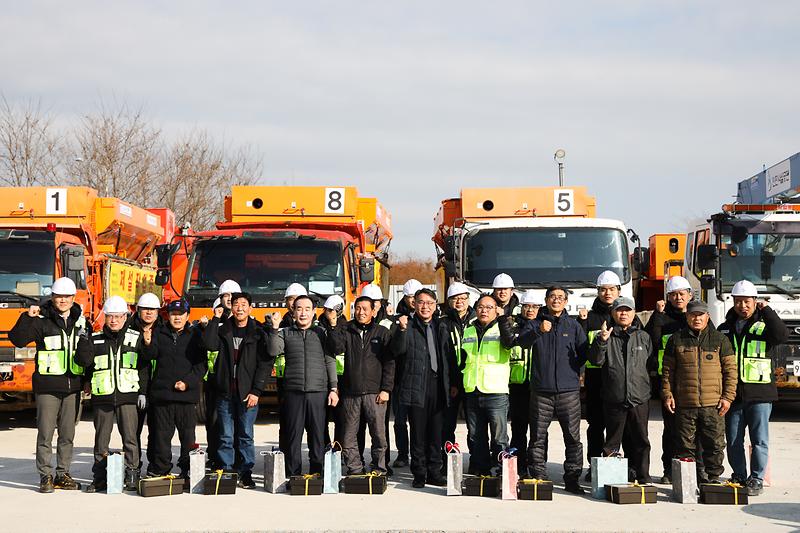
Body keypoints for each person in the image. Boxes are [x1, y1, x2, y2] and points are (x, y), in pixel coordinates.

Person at [9, 277, 86, 492]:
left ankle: (63, 473)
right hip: (48, 387)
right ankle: (46, 475)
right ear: (52, 298)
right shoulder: (41, 320)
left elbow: (86, 353)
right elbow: (18, 339)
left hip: (73, 387)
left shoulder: (81, 321)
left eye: (66, 297)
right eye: (58, 296)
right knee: (45, 433)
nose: (62, 300)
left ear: (73, 298)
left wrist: (86, 382)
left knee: (67, 434)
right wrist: (27, 317)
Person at [511, 286, 588, 493]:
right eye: (552, 297)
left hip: (568, 392)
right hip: (541, 391)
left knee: (573, 439)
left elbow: (584, 355)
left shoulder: (573, 326)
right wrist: (538, 330)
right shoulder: (535, 323)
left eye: (560, 297)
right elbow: (522, 343)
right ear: (546, 300)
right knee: (537, 437)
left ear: (565, 302)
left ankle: (572, 479)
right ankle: (540, 478)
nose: (556, 300)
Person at [718, 280, 788, 496]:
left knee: (759, 440)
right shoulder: (725, 328)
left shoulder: (765, 325)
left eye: (747, 302)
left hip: (760, 394)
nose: (743, 306)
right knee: (734, 439)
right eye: (738, 301)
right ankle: (739, 475)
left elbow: (781, 335)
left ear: (755, 301)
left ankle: (756, 478)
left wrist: (767, 310)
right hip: (734, 395)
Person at [76, 296, 149, 492]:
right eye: (110, 316)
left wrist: (143, 392)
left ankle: (133, 473)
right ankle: (100, 477)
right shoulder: (95, 338)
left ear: (125, 317)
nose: (114, 320)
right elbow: (85, 363)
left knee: (130, 438)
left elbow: (144, 366)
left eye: (118, 316)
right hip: (103, 396)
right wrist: (83, 340)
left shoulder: (136, 338)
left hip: (128, 396)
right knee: (101, 439)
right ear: (105, 317)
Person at [577, 270, 643, 481]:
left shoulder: (629, 315)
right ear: (597, 291)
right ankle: (595, 465)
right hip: (597, 381)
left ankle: (629, 467)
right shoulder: (589, 317)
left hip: (622, 381)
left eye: (612, 289)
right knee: (596, 426)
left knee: (625, 427)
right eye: (603, 290)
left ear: (618, 290)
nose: (607, 293)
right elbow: (580, 348)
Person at [661, 300, 737, 484]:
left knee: (715, 444)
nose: (697, 318)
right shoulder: (676, 339)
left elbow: (731, 371)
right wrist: (667, 394)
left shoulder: (720, 339)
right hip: (685, 404)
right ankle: (689, 480)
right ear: (687, 316)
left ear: (707, 317)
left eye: (700, 315)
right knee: (685, 445)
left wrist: (728, 397)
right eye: (693, 315)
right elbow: (667, 371)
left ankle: (713, 478)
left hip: (714, 405)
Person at [203, 292, 273, 488]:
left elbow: (265, 364)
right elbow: (208, 344)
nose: (240, 308)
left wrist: (257, 391)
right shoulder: (223, 329)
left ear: (250, 308)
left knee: (245, 435)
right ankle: (226, 470)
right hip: (225, 392)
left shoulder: (258, 332)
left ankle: (245, 472)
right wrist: (216, 318)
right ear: (231, 308)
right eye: (236, 304)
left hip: (247, 395)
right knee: (225, 435)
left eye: (244, 304)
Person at [267, 295, 338, 476]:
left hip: (318, 392)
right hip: (293, 392)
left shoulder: (322, 333)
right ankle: (293, 475)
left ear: (314, 312)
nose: (303, 313)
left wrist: (333, 388)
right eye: (299, 309)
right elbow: (273, 350)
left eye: (307, 309)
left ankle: (318, 474)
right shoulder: (285, 332)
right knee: (293, 436)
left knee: (318, 436)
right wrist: (274, 328)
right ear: (293, 311)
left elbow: (330, 361)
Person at [587, 296, 653, 483]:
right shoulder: (606, 335)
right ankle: (611, 479)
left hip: (639, 397)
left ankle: (642, 476)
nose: (623, 313)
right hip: (614, 398)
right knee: (612, 442)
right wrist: (602, 341)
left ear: (634, 314)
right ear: (613, 313)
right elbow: (596, 361)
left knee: (641, 440)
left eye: (627, 310)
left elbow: (650, 364)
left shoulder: (644, 337)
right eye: (619, 310)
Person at [391, 288, 451, 488]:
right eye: (421, 302)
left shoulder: (440, 326)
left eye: (429, 303)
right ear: (414, 305)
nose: (425, 306)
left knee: (436, 432)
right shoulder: (407, 326)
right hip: (416, 385)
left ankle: (435, 471)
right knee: (418, 433)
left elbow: (448, 357)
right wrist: (401, 331)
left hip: (437, 384)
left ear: (435, 306)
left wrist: (452, 384)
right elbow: (397, 351)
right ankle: (419, 473)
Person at [328, 295, 394, 475]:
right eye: (358, 308)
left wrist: (386, 389)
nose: (361, 312)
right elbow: (336, 348)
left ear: (373, 311)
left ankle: (379, 468)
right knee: (348, 436)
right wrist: (333, 326)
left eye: (365, 308)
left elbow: (389, 362)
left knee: (379, 435)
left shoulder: (382, 332)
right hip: (351, 393)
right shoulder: (346, 329)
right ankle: (355, 468)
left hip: (375, 393)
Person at [144, 299, 206, 479]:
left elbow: (201, 366)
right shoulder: (158, 332)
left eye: (180, 315)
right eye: (173, 314)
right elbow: (150, 355)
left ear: (187, 316)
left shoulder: (195, 335)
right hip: (162, 396)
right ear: (168, 316)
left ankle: (188, 470)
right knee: (161, 437)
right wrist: (147, 342)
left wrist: (187, 383)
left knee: (188, 438)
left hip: (186, 397)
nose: (177, 318)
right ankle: (161, 469)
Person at [644, 275, 692, 483]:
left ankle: (692, 468)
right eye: (673, 294)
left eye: (682, 294)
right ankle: (669, 470)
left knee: (692, 428)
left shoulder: (696, 316)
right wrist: (657, 315)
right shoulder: (661, 318)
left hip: (691, 381)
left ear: (690, 295)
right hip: (669, 382)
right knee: (670, 429)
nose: (678, 298)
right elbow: (651, 343)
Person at [458, 294, 511, 476]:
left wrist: (504, 321)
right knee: (475, 435)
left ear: (497, 310)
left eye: (489, 307)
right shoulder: (469, 330)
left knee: (499, 436)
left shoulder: (502, 328)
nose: (484, 310)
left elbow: (509, 344)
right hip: (472, 390)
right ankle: (481, 469)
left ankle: (503, 471)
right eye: (481, 307)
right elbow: (463, 359)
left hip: (495, 391)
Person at [498, 288, 540, 475]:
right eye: (526, 306)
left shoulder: (544, 327)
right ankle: (519, 466)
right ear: (521, 307)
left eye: (534, 306)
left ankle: (537, 466)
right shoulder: (512, 326)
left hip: (539, 387)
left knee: (539, 432)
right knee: (518, 430)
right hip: (516, 386)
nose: (530, 310)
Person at [440, 282, 476, 464]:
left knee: (474, 425)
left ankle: (477, 461)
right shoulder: (443, 324)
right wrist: (452, 382)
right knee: (447, 425)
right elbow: (444, 357)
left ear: (469, 299)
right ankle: (447, 461)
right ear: (449, 301)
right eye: (455, 298)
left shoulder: (477, 322)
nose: (460, 302)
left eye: (463, 298)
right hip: (451, 383)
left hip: (472, 381)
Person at [128, 292, 162, 476]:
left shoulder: (163, 331)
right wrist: (140, 390)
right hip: (135, 389)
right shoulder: (129, 330)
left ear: (158, 312)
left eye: (153, 309)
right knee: (133, 433)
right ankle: (134, 466)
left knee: (156, 433)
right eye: (145, 309)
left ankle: (154, 467)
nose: (149, 313)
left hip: (157, 390)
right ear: (138, 310)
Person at [206, 280, 240, 467]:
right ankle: (215, 457)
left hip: (238, 382)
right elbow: (209, 345)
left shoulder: (245, 323)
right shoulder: (216, 322)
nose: (229, 299)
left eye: (232, 296)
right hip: (216, 382)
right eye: (225, 296)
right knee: (215, 423)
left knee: (238, 426)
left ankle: (237, 459)